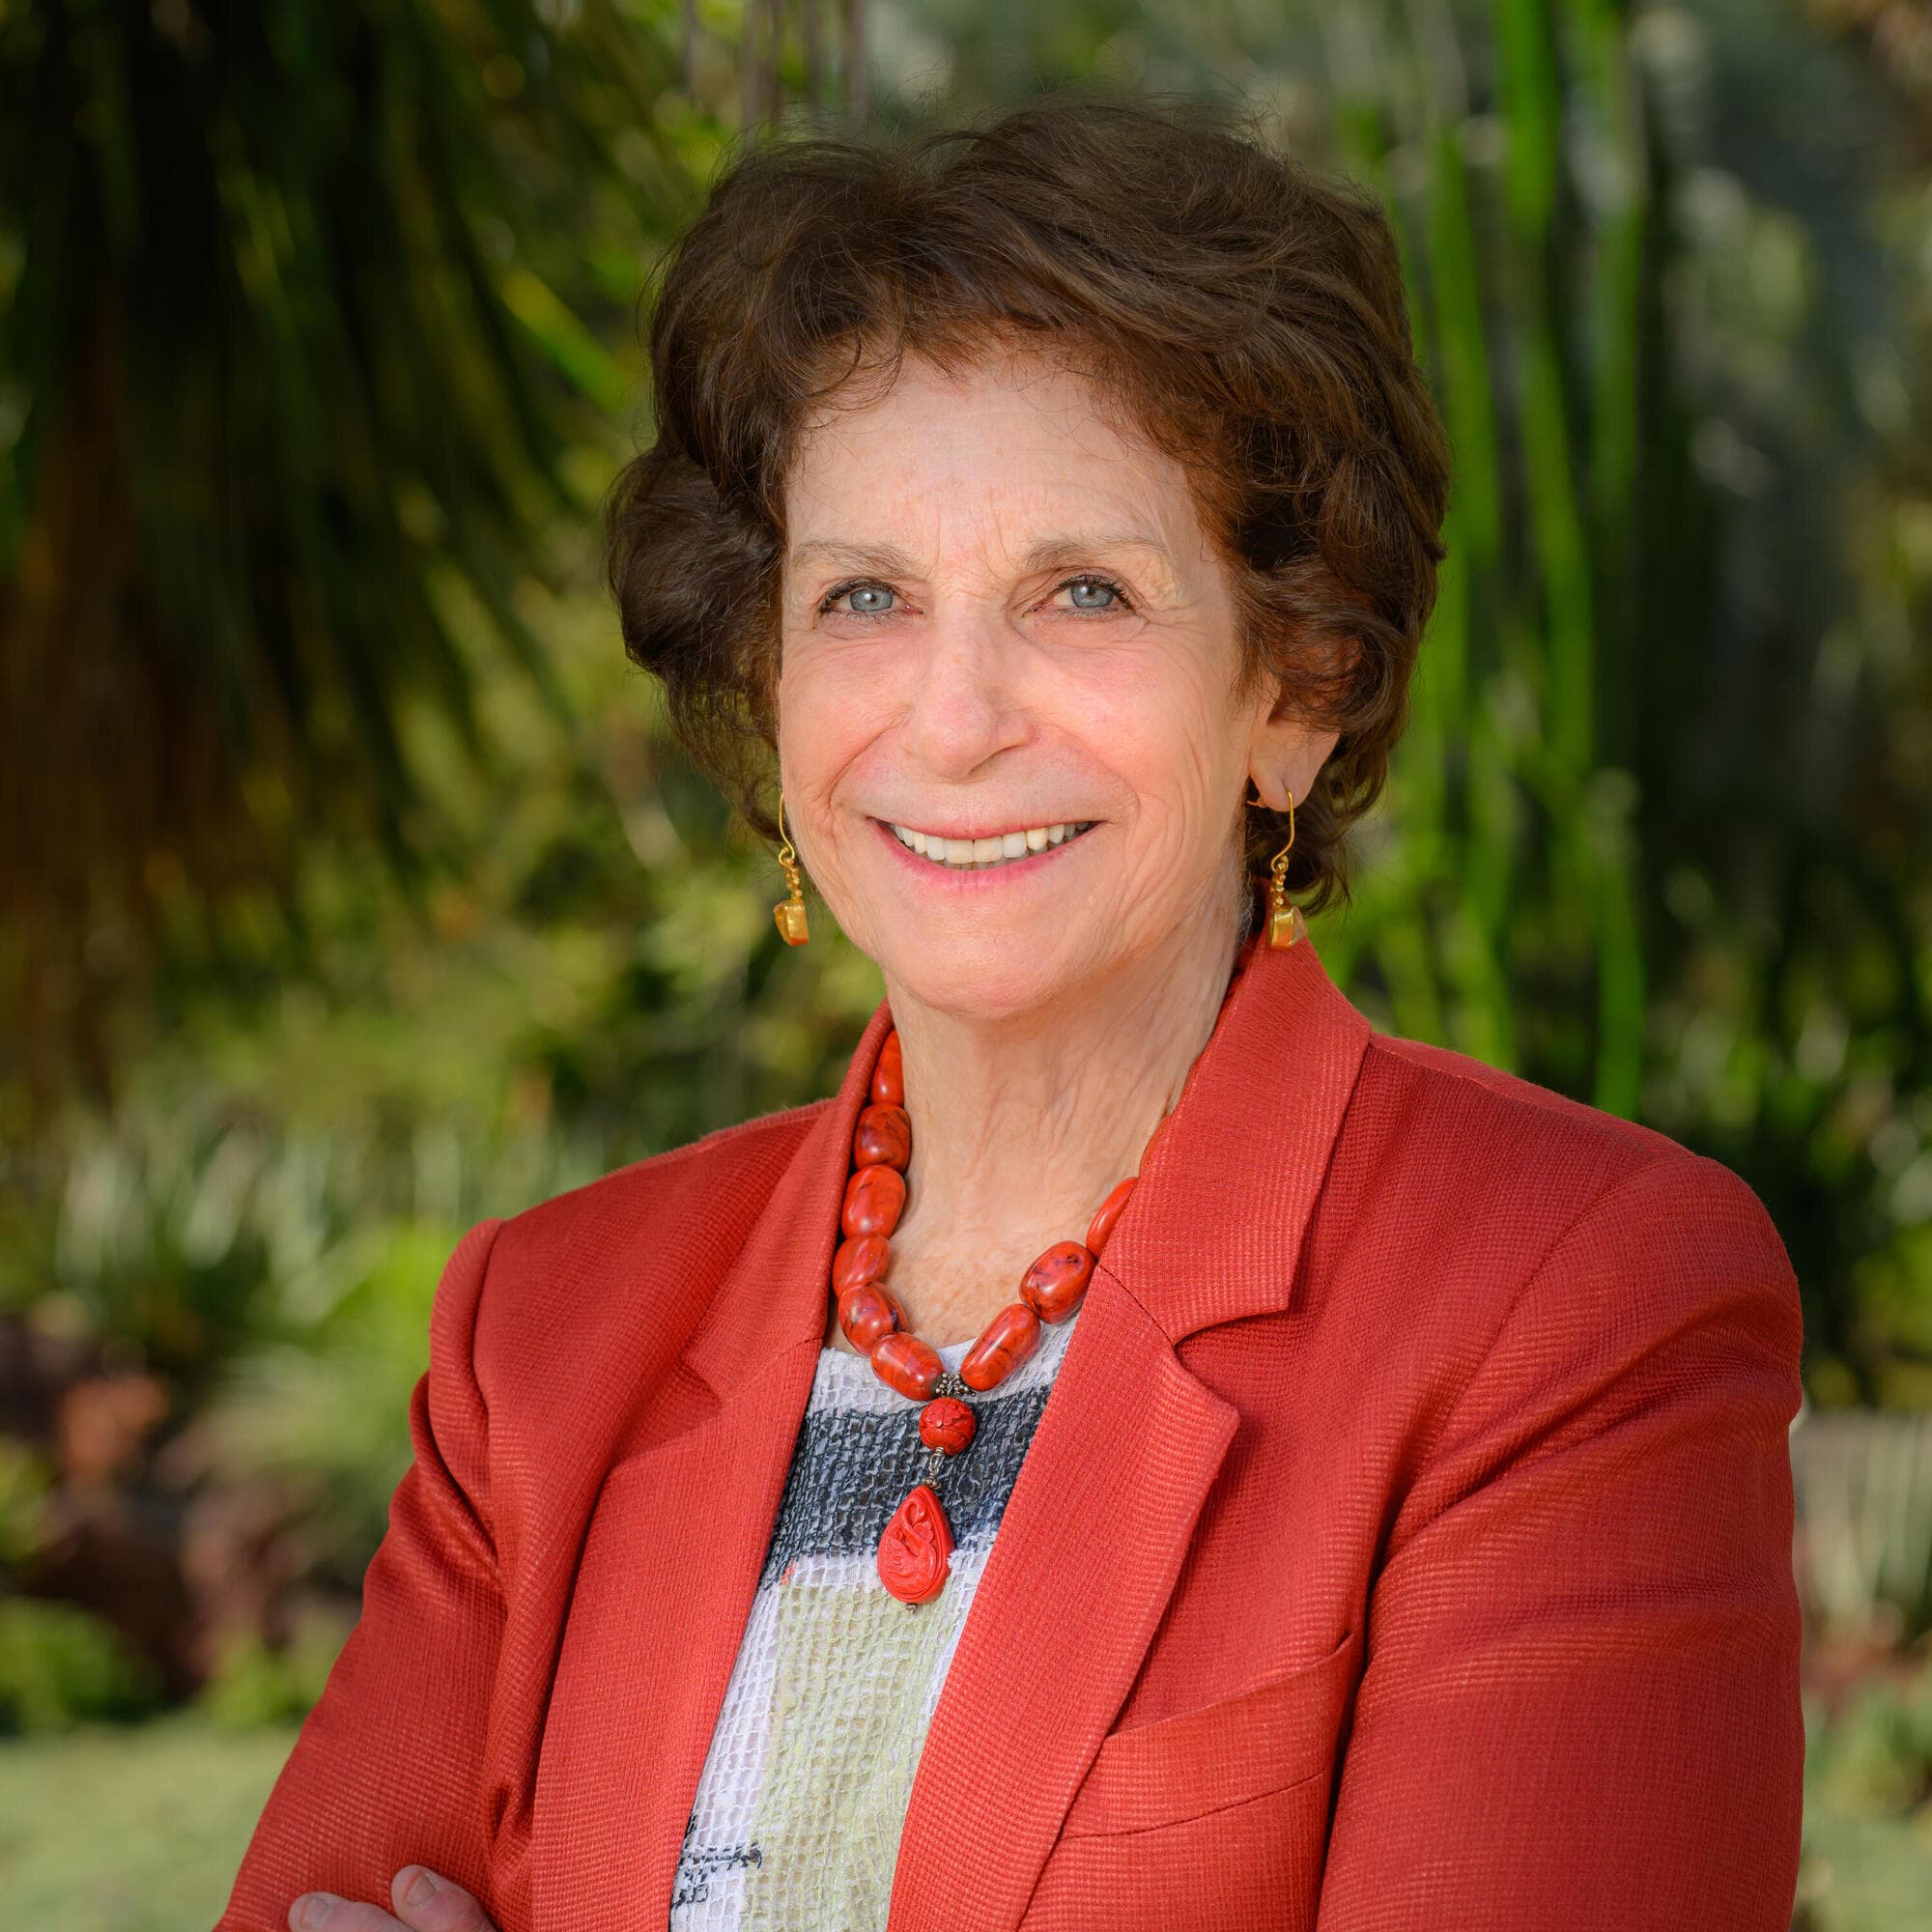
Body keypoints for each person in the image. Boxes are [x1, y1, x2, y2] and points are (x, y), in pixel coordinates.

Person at [217, 92, 1804, 1932]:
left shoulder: (1570, 1306)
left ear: (1293, 688)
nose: (954, 719)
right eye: (868, 596)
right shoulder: (547, 1338)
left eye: (1083, 592)